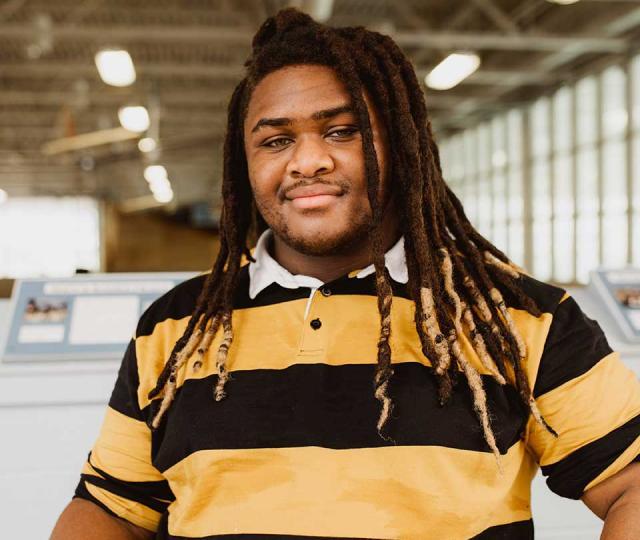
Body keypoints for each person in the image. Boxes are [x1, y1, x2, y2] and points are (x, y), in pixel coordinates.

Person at [52, 9, 640, 540]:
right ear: (246, 163)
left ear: (403, 146)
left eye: (341, 131)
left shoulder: (513, 317)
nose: (307, 161)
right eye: (277, 140)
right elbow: (110, 510)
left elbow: (629, 485)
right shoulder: (176, 327)